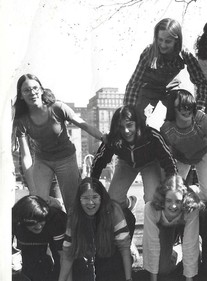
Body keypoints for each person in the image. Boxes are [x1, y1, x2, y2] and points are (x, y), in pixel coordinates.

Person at [12, 74, 104, 212]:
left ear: (42, 90)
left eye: (35, 88)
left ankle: (72, 228)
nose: (32, 93)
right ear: (21, 95)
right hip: (43, 161)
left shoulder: (57, 108)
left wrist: (104, 137)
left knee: (72, 205)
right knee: (39, 202)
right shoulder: (22, 120)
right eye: (26, 90)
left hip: (66, 159)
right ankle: (57, 203)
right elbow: (26, 156)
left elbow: (84, 125)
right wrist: (32, 190)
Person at [91, 105, 177, 210]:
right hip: (126, 164)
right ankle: (129, 203)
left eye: (129, 125)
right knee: (113, 201)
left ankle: (153, 224)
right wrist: (93, 185)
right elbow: (99, 161)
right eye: (121, 127)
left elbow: (169, 161)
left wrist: (172, 186)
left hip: (149, 164)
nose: (126, 131)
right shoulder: (113, 138)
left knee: (152, 201)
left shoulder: (152, 137)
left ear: (137, 123)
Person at [124, 18, 207, 120]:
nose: (163, 45)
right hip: (149, 89)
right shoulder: (149, 52)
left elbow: (201, 82)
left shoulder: (184, 54)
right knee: (137, 118)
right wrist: (128, 112)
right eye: (160, 40)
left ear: (176, 41)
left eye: (168, 41)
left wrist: (199, 108)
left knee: (181, 113)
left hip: (171, 89)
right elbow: (134, 83)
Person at [58, 177, 134, 281]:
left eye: (95, 197)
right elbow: (68, 253)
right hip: (87, 256)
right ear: (79, 199)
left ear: (101, 198)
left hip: (111, 254)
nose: (90, 202)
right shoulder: (74, 214)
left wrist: (128, 278)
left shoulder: (113, 210)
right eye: (85, 198)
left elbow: (124, 248)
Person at [160, 89, 207, 201]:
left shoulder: (201, 119)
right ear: (172, 108)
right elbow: (166, 159)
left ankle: (197, 192)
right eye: (181, 107)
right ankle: (190, 190)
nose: (187, 111)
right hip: (182, 157)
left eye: (189, 106)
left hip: (204, 153)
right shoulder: (166, 129)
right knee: (173, 192)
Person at [143, 174, 204, 281]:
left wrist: (189, 278)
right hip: (164, 226)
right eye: (169, 201)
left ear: (184, 200)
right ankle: (176, 251)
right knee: (162, 269)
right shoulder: (151, 208)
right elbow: (151, 244)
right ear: (162, 199)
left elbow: (190, 242)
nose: (174, 206)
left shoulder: (191, 208)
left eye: (178, 201)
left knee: (195, 263)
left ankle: (198, 248)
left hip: (184, 223)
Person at [12, 195, 67, 281]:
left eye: (41, 220)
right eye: (32, 222)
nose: (38, 226)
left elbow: (64, 257)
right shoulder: (13, 220)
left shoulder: (55, 218)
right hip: (29, 258)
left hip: (54, 252)